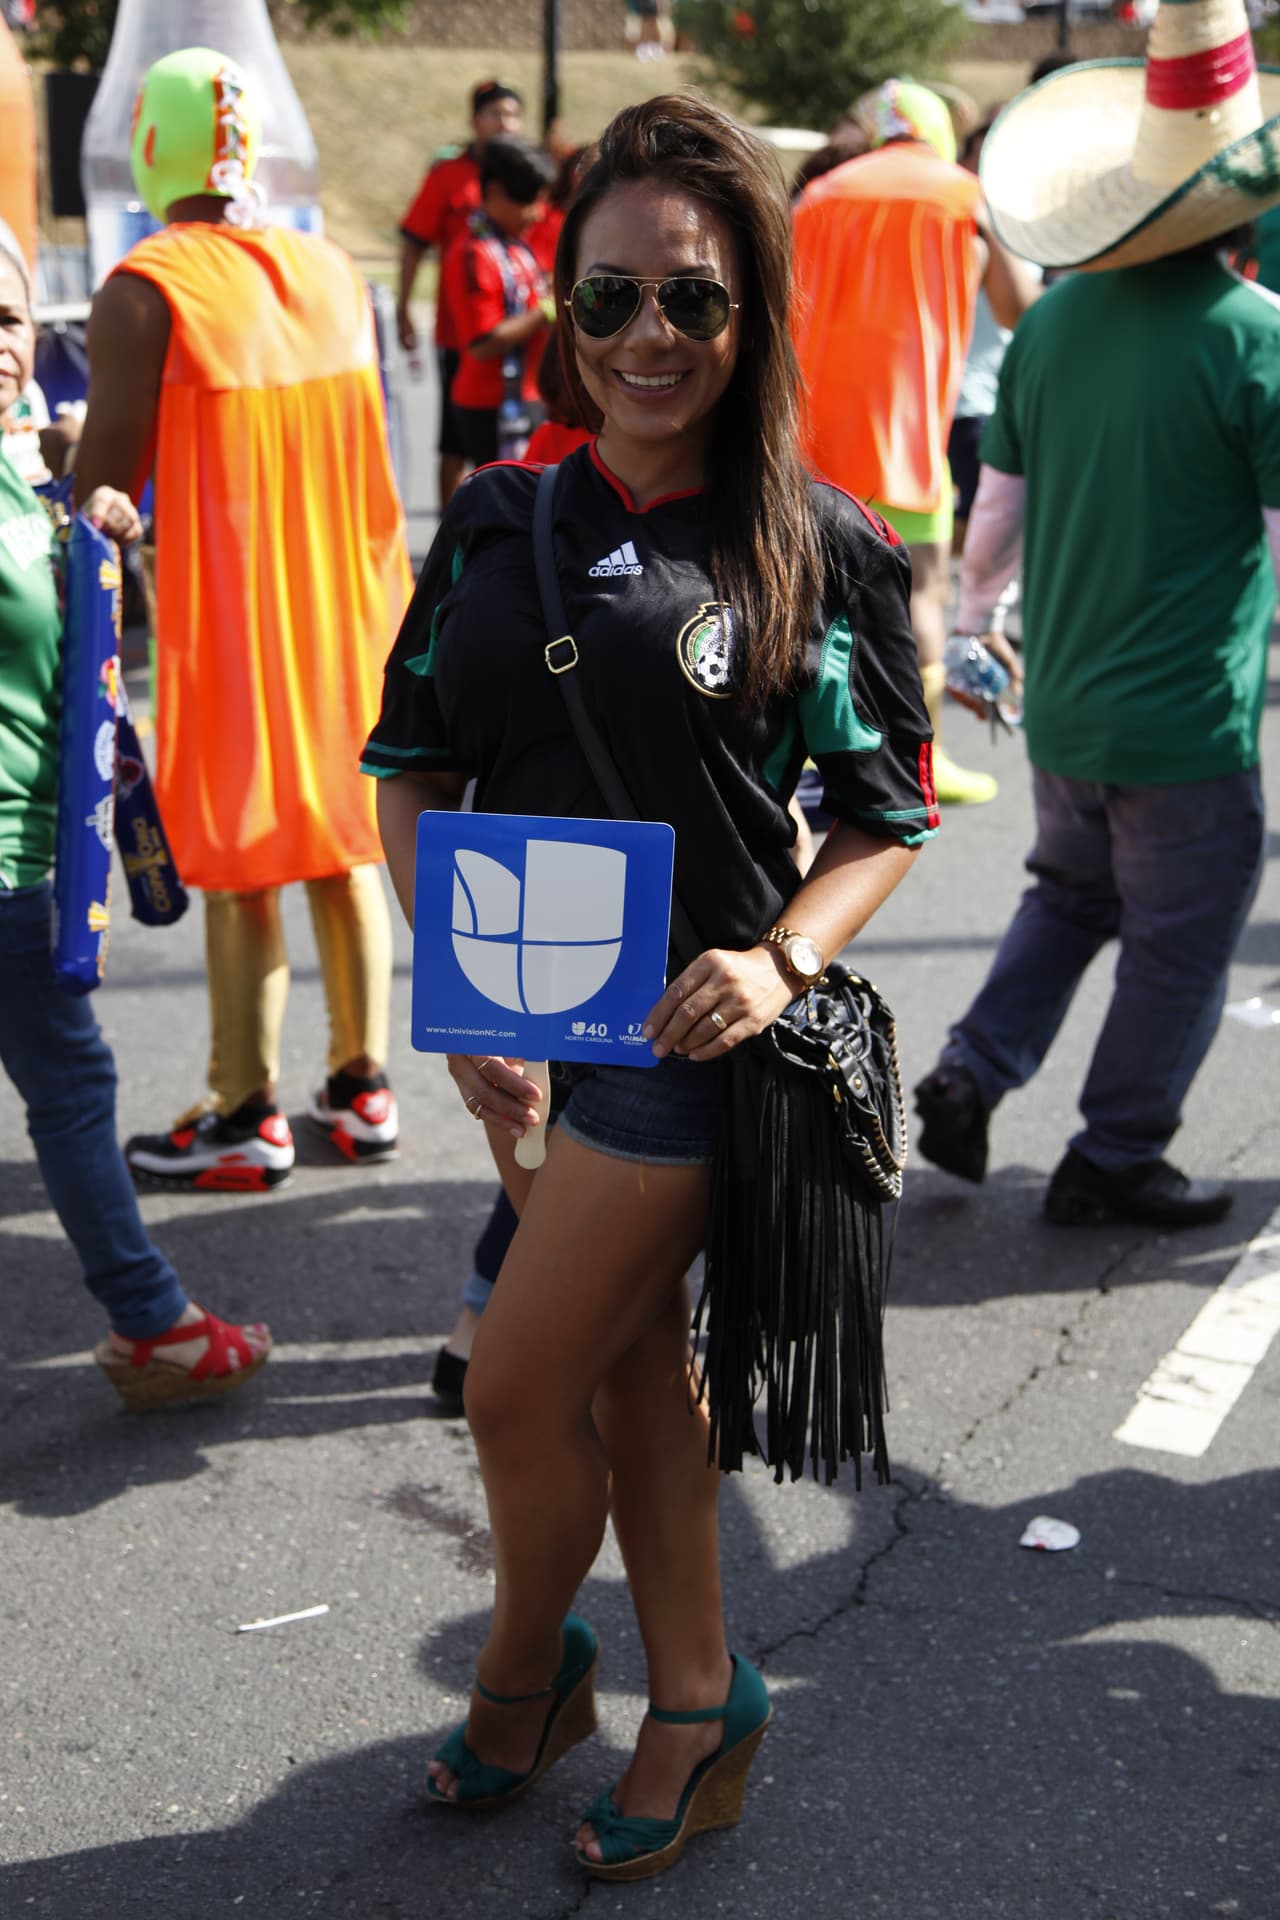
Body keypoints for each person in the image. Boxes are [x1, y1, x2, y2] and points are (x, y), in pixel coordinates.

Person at [364, 93, 935, 1880]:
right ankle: (697, 1693)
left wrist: (779, 959)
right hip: (529, 1042)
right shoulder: (493, 516)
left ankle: (530, 1673)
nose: (647, 340)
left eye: (688, 300)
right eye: (608, 302)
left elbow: (885, 814)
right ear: (562, 312)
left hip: (697, 1058)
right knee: (622, 1387)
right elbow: (408, 758)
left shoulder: (816, 543)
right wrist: (465, 1011)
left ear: (750, 313)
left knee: (515, 1392)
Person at [914, 0, 1280, 1228]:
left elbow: (993, 522)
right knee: (1178, 939)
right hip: (1184, 724)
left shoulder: (1052, 323)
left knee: (1067, 896)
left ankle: (970, 1066)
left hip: (1061, 703)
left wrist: (973, 630)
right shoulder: (1253, 345)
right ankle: (1114, 1151)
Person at [73, 48, 411, 1191]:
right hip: (352, 608)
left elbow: (99, 493)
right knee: (343, 840)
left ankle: (241, 1107)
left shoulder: (145, 285)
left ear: (149, 140)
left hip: (233, 619)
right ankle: (363, 1087)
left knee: (239, 858)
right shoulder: (326, 268)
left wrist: (54, 454)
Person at [0, 224, 270, 1407]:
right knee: (71, 1084)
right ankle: (151, 1320)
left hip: (28, 855)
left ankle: (150, 1318)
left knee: (71, 1082)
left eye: (7, 319)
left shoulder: (20, 472)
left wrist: (89, 536)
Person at [791, 78, 1040, 808]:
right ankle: (921, 764)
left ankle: (802, 755)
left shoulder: (821, 194)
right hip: (910, 438)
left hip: (812, 442)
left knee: (808, 596)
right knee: (922, 594)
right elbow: (1018, 308)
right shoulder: (961, 194)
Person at [396, 81, 525, 510]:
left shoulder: (524, 170)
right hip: (461, 334)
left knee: (515, 441)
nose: (504, 122)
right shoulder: (449, 175)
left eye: (512, 114)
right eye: (495, 114)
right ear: (474, 120)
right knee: (453, 441)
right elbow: (415, 241)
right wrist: (402, 309)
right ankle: (448, 536)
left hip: (519, 331)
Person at [441, 137, 556, 470]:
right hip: (490, 403)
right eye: (528, 201)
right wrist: (544, 311)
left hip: (527, 394)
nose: (536, 213)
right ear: (494, 192)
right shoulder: (473, 253)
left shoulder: (514, 244)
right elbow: (482, 342)